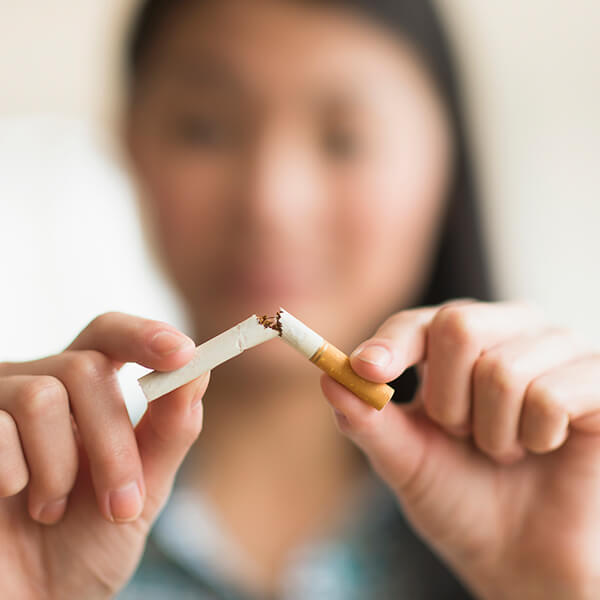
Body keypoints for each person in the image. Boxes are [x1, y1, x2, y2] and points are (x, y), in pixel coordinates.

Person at [0, 0, 598, 598]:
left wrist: (553, 584)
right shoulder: (42, 511)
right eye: (205, 128)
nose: (272, 203)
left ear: (445, 156)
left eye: (345, 140)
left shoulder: (545, 523)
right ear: (129, 140)